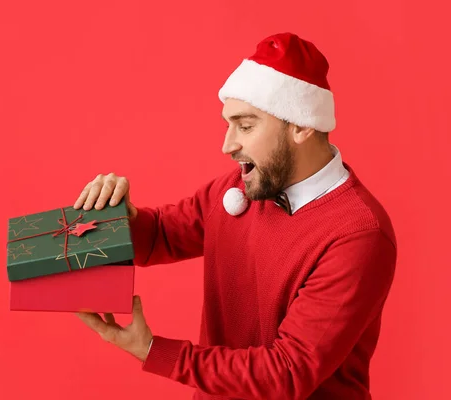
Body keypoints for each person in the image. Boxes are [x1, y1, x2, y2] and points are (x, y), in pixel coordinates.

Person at [75, 32, 397, 400]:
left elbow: (287, 373)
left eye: (245, 126)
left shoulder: (358, 233)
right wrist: (117, 213)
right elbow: (160, 236)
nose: (228, 145)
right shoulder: (243, 186)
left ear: (301, 125)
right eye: (229, 125)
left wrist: (152, 351)